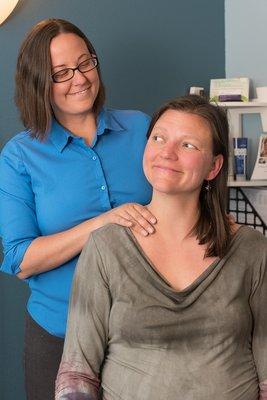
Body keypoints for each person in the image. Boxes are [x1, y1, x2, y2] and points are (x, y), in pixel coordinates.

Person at [56, 95, 267, 400]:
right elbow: (78, 375)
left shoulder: (252, 249)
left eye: (188, 145)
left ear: (214, 166)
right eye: (158, 138)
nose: (167, 153)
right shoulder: (107, 247)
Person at [0, 18, 157, 400]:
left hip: (145, 332)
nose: (80, 78)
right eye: (61, 73)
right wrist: (102, 223)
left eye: (86, 63)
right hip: (58, 337)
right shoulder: (20, 156)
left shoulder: (140, 129)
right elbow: (20, 259)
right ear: (39, 83)